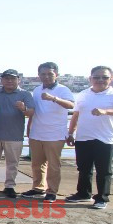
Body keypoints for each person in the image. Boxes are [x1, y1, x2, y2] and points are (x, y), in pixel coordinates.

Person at [65, 66, 113, 209]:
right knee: (83, 168)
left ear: (110, 78)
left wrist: (106, 111)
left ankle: (102, 198)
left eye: (105, 77)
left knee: (103, 170)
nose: (100, 80)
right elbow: (75, 115)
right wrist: (70, 133)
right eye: (96, 77)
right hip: (83, 137)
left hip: (106, 138)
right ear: (90, 79)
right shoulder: (83, 94)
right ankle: (83, 193)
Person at [22, 62, 75, 202]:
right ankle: (38, 188)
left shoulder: (63, 89)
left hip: (55, 134)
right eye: (43, 74)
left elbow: (71, 105)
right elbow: (34, 111)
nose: (46, 77)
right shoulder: (37, 89)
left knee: (53, 165)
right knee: (36, 164)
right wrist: (29, 129)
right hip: (37, 132)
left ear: (56, 74)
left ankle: (51, 191)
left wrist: (54, 98)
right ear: (38, 75)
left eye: (50, 74)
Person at [0, 69, 35, 198]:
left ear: (18, 80)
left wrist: (24, 108)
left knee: (12, 163)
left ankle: (10, 186)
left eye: (12, 78)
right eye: (6, 78)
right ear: (2, 80)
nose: (9, 81)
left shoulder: (26, 94)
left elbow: (31, 112)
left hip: (14, 135)